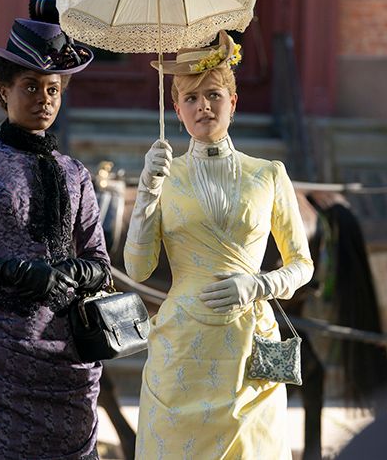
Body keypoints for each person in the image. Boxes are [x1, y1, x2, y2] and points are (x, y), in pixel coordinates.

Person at [125, 30, 314, 459]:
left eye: (213, 95)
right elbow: (136, 269)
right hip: (181, 349)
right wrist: (146, 193)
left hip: (248, 350)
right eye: (190, 99)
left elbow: (302, 264)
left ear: (233, 102)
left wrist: (260, 285)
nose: (203, 106)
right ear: (176, 110)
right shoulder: (163, 177)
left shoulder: (268, 173)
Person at [0, 15, 111, 458]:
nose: (43, 99)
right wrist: (16, 272)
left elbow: (101, 263)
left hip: (63, 361)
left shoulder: (76, 174)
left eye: (53, 90)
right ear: (3, 92)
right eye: (30, 86)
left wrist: (76, 271)